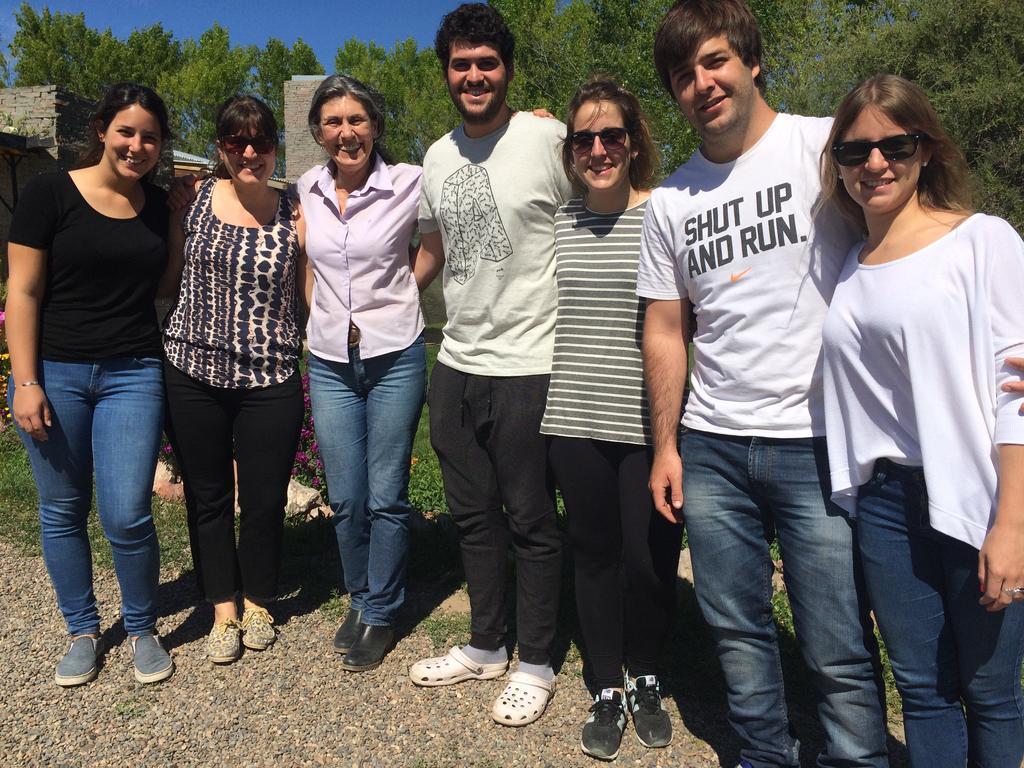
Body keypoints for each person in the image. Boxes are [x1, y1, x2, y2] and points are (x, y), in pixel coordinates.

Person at [636, 1, 889, 766]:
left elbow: (914, 230)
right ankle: (762, 756)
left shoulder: (823, 147)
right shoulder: (672, 200)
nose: (702, 84)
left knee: (837, 639)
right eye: (684, 75)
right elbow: (665, 329)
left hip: (819, 441)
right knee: (738, 632)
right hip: (713, 446)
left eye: (714, 61)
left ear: (752, 61)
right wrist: (665, 446)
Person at [820, 74, 1024, 768]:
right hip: (884, 506)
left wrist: (1013, 523)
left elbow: (1017, 390)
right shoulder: (849, 263)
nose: (874, 164)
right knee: (923, 690)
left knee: (991, 691)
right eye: (854, 152)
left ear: (926, 149)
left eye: (893, 145)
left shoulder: (982, 241)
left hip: (973, 494)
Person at [408, 2, 573, 727]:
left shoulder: (549, 138)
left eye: (487, 63)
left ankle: (535, 661)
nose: (474, 75)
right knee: (473, 517)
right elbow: (441, 248)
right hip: (458, 359)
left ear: (506, 69)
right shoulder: (436, 156)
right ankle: (484, 645)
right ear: (446, 71)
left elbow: (605, 208)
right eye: (461, 63)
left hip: (531, 361)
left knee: (532, 518)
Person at [5, 82, 175, 686]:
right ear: (102, 129)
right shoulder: (51, 193)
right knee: (62, 509)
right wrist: (25, 380)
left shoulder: (158, 205)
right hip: (56, 372)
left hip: (133, 372)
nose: (137, 145)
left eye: (149, 136)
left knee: (128, 512)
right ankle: (81, 629)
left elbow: (163, 288)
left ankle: (141, 626)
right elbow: (22, 292)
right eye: (126, 131)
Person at [539, 76, 682, 759]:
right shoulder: (559, 222)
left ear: (634, 143)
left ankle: (647, 674)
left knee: (650, 561)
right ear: (570, 151)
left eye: (612, 136)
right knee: (593, 556)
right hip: (572, 417)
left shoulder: (667, 214)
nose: (599, 149)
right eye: (584, 139)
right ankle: (604, 684)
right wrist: (542, 123)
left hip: (647, 425)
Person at [162, 95, 303, 664]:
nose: (250, 152)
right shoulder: (190, 200)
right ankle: (224, 608)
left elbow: (311, 289)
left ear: (275, 146)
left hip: (270, 374)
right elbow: (169, 278)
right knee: (209, 496)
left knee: (266, 497)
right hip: (193, 369)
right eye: (235, 141)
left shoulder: (295, 208)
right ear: (220, 147)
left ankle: (262, 599)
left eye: (261, 141)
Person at [296, 75, 426, 672]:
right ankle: (358, 595)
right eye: (332, 122)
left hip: (394, 353)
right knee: (346, 496)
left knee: (386, 494)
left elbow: (435, 244)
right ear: (318, 131)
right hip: (328, 360)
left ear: (375, 125)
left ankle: (382, 609)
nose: (345, 132)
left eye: (357, 120)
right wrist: (319, 313)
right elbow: (308, 264)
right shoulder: (308, 187)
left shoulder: (409, 182)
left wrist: (402, 291)